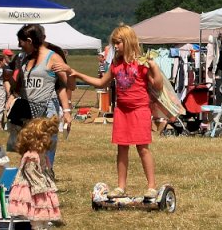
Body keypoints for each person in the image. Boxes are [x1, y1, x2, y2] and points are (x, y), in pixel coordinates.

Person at [58, 24, 165, 199]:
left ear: (128, 42)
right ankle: (121, 186)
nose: (115, 46)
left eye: (118, 42)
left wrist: (154, 67)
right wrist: (77, 74)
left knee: (142, 148)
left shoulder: (142, 63)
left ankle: (152, 186)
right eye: (114, 43)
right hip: (121, 111)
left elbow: (158, 85)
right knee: (121, 148)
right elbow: (101, 83)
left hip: (140, 110)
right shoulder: (115, 63)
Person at [13, 25, 71, 168]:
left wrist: (67, 111)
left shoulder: (53, 57)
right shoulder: (24, 59)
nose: (20, 46)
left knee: (45, 145)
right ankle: (29, 176)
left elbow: (63, 86)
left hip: (47, 109)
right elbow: (20, 85)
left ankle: (46, 175)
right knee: (28, 146)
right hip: (28, 108)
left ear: (29, 40)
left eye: (21, 43)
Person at [7, 118, 61, 229]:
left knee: (43, 215)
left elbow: (46, 170)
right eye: (48, 137)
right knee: (36, 215)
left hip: (41, 187)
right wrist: (43, 185)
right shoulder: (31, 155)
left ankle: (43, 226)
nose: (50, 140)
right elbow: (31, 172)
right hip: (32, 189)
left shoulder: (41, 154)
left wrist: (49, 180)